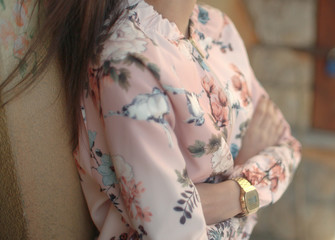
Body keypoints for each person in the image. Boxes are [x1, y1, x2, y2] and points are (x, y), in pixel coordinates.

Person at [2, 0, 302, 239]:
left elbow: (287, 145)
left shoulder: (218, 27)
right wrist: (245, 186)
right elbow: (171, 231)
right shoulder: (127, 65)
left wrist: (220, 197)